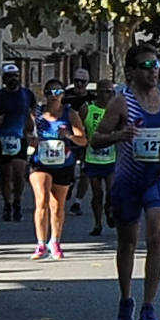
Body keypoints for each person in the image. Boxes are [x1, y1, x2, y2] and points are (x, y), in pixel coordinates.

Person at [91, 44, 160, 320]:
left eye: (157, 65)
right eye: (147, 66)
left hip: (158, 179)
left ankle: (149, 306)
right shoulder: (121, 102)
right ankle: (126, 298)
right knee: (127, 243)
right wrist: (118, 135)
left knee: (156, 237)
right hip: (127, 180)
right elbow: (96, 139)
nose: (154, 71)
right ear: (132, 71)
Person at [27, 79, 87, 259]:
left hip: (63, 163)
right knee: (41, 200)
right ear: (44, 94)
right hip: (40, 162)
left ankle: (54, 241)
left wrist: (68, 135)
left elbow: (83, 140)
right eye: (50, 92)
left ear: (63, 95)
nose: (54, 96)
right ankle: (40, 244)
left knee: (57, 206)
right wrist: (32, 140)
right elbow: (26, 133)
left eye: (58, 92)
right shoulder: (36, 113)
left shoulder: (70, 114)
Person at [0, 64, 35, 221]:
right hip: (3, 138)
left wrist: (33, 129)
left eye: (16, 76)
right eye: (10, 76)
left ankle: (17, 201)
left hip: (20, 137)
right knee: (5, 174)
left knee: (19, 173)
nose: (14, 79)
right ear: (4, 79)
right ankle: (7, 204)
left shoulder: (27, 94)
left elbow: (34, 112)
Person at [81, 78, 117, 236]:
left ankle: (109, 210)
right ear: (98, 92)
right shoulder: (87, 109)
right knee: (97, 194)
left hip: (111, 158)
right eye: (106, 91)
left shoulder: (116, 110)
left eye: (112, 91)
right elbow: (79, 130)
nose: (110, 95)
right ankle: (97, 223)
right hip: (92, 158)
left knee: (111, 192)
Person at [64, 69, 93, 217]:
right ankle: (68, 184)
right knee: (67, 169)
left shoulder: (92, 98)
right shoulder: (66, 97)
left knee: (85, 171)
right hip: (68, 139)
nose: (80, 85)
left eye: (83, 82)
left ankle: (78, 202)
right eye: (77, 81)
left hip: (86, 140)